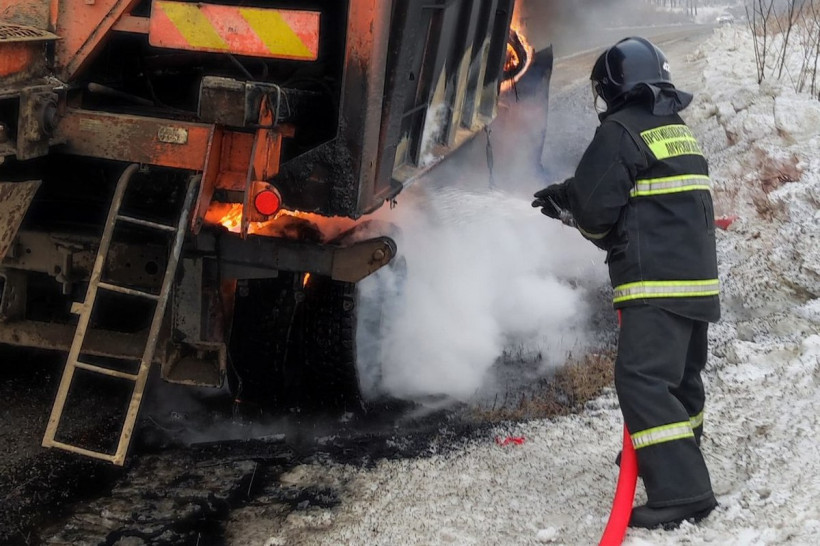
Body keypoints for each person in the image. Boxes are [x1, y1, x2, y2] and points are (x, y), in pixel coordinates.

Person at [533, 37, 720, 529]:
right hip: (695, 282)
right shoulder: (674, 129)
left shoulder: (619, 130)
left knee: (642, 380)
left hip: (656, 283)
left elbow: (597, 215)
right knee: (679, 380)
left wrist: (569, 209)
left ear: (612, 87)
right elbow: (642, 195)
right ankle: (670, 458)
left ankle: (683, 492)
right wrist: (572, 195)